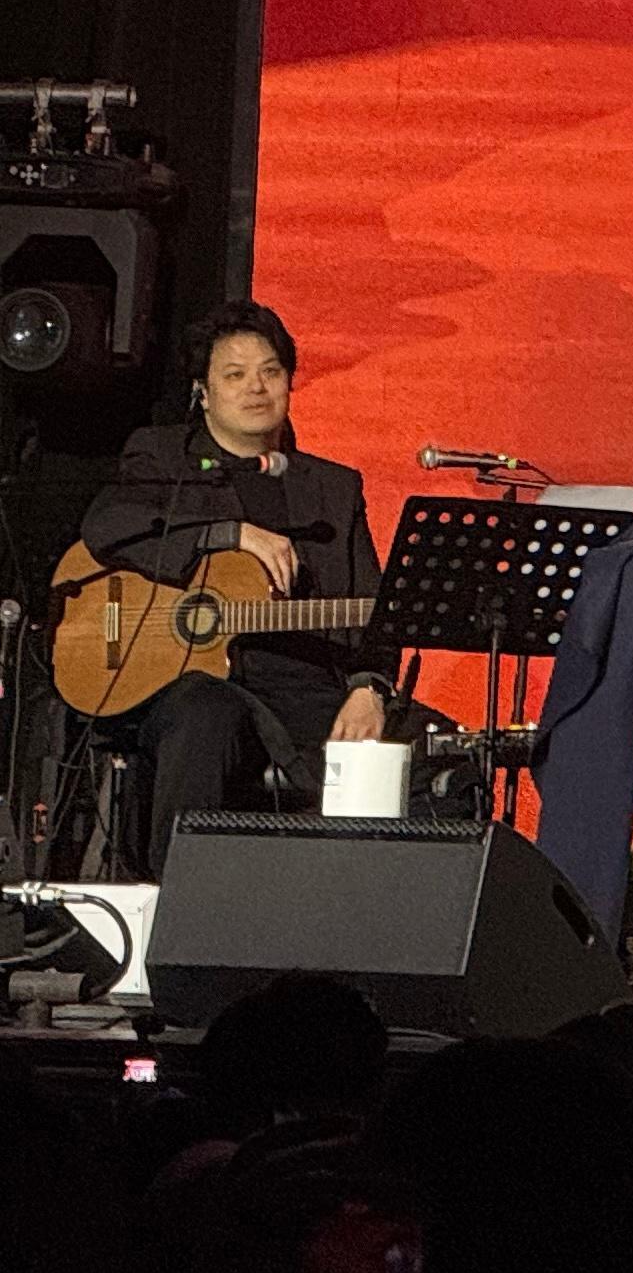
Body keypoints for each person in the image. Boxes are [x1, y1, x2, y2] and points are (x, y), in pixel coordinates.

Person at [76, 304, 400, 863]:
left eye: (271, 372)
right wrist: (228, 534)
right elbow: (107, 527)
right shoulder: (163, 457)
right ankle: (177, 893)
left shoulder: (333, 488)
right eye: (235, 374)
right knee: (206, 713)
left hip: (306, 692)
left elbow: (376, 609)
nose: (256, 387)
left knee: (446, 754)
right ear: (202, 392)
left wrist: (368, 688)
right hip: (188, 682)